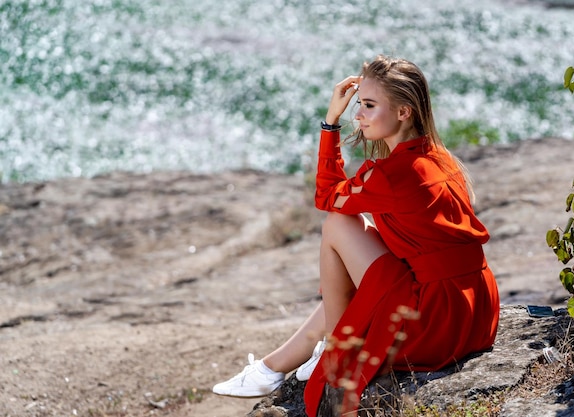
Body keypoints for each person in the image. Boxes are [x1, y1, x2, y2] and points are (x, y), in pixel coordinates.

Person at [212, 54, 500, 416]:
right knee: (358, 231)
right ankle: (276, 365)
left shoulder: (395, 173)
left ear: (403, 112)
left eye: (368, 105)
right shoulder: (441, 157)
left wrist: (330, 123)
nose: (358, 114)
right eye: (357, 104)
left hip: (435, 321)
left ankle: (323, 348)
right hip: (476, 309)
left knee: (338, 223)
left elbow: (326, 197)